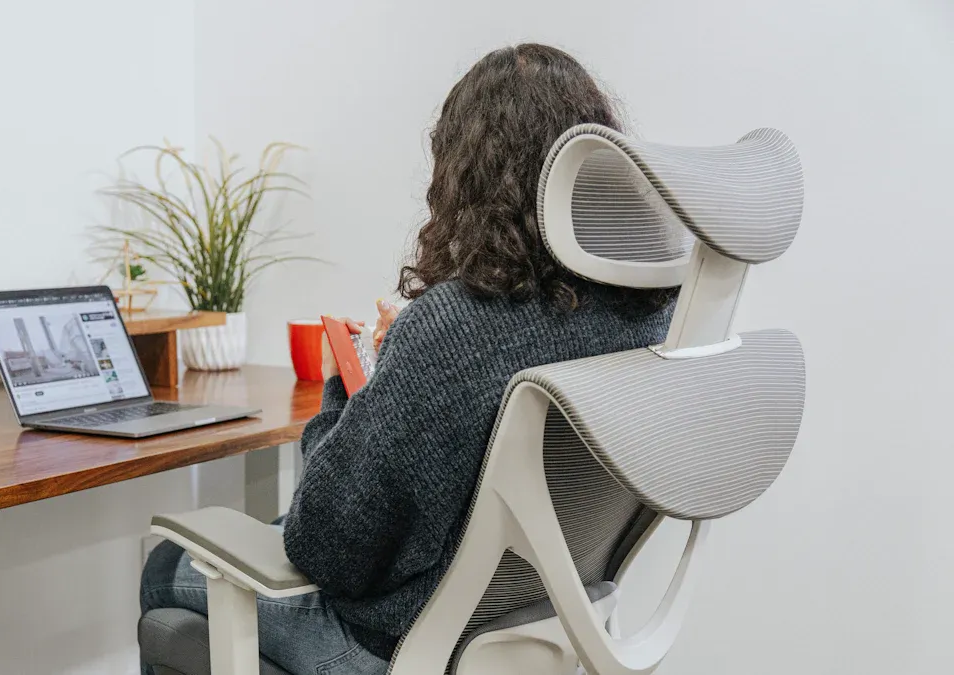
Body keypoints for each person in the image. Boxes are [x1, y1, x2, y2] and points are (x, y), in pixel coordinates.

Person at [140, 43, 676, 675]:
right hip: (548, 625)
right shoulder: (648, 313)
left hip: (399, 644)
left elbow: (327, 548)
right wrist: (405, 366)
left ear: (465, 174)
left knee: (165, 566)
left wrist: (345, 386)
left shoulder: (458, 324)